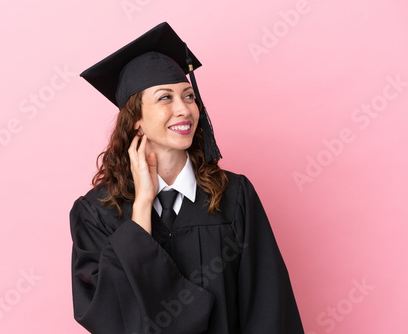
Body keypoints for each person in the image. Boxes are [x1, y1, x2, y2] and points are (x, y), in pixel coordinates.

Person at [70, 22, 304, 334]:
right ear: (136, 120)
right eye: (165, 98)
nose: (184, 109)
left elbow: (268, 306)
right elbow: (108, 313)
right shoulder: (96, 213)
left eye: (189, 96)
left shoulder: (234, 197)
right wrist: (141, 207)